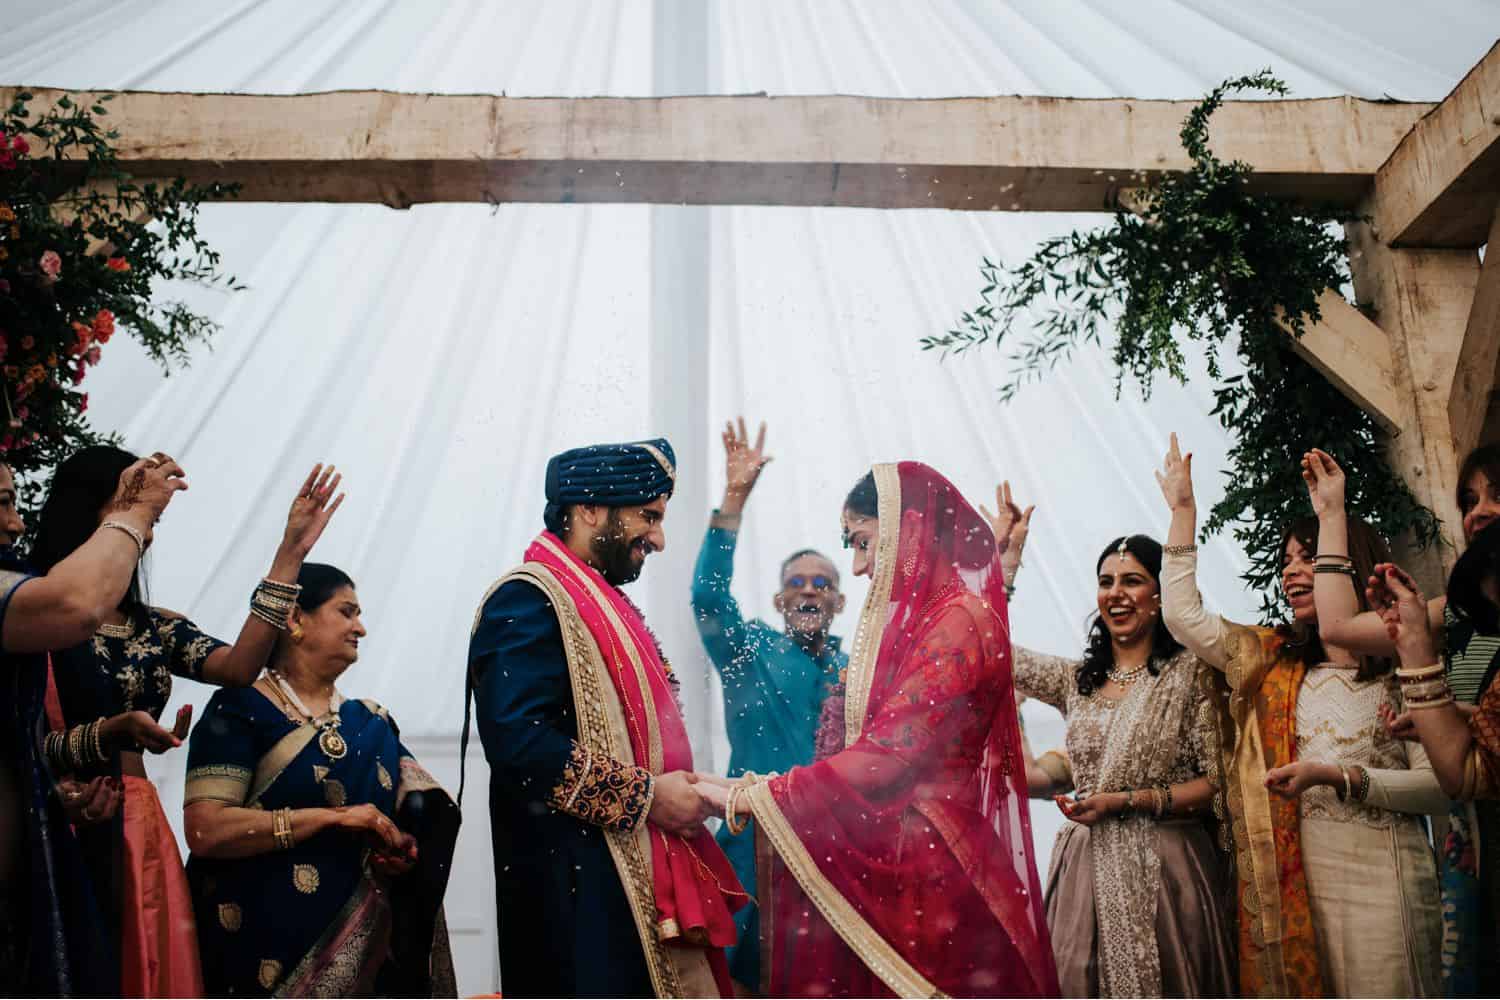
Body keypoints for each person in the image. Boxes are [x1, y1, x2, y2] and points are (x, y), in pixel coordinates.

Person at [709, 463, 1059, 998]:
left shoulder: (949, 623)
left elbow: (891, 754)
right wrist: (730, 505)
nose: (858, 566)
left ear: (909, 529)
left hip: (924, 865)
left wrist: (752, 795)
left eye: (864, 543)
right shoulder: (764, 651)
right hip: (825, 847)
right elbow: (710, 605)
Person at [34, 449, 345, 997]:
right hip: (58, 818)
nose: (147, 539)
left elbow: (239, 667)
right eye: (136, 519)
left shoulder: (153, 627)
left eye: (150, 524)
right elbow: (23, 739)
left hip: (137, 820)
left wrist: (289, 555)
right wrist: (106, 735)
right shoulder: (37, 615)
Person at [1158, 435, 1444, 997]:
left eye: (1307, 557)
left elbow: (1441, 788)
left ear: (1349, 563)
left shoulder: (1405, 662)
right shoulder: (1274, 659)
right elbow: (1183, 617)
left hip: (1385, 880)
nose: (1291, 571)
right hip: (1292, 889)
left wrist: (1339, 778)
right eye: (1285, 561)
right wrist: (1183, 513)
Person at [468, 438, 744, 998]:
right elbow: (519, 744)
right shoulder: (526, 600)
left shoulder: (603, 603)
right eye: (648, 515)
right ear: (589, 509)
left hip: (618, 884)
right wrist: (647, 797)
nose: (659, 538)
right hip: (576, 894)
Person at [183, 562, 459, 996]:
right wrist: (333, 818)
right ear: (295, 619)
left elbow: (420, 816)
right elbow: (205, 829)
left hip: (362, 959)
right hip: (256, 950)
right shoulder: (239, 711)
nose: (360, 628)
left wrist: (402, 851)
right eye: (346, 612)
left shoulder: (371, 723)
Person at [999, 499, 1235, 997]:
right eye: (1107, 582)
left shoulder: (1192, 674)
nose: (1116, 593)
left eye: (1132, 580)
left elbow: (1219, 782)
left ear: (1160, 595)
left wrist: (1129, 802)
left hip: (1168, 870)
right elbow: (991, 649)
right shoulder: (1076, 682)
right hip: (1085, 873)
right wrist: (1005, 568)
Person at [1312, 441, 1500, 995]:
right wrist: (1330, 516)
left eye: (1497, 495)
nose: (1479, 511)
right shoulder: (1460, 609)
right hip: (1477, 837)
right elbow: (1339, 629)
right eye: (1469, 499)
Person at [0, 453, 186, 995]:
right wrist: (134, 511)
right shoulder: (46, 607)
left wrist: (60, 798)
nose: (16, 522)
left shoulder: (149, 625)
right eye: (4, 503)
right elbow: (77, 605)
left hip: (40, 878)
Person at [689, 418, 847, 989]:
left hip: (832, 848)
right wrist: (734, 499)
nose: (809, 590)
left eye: (822, 583)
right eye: (798, 583)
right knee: (741, 979)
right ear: (781, 598)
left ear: (840, 600)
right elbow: (708, 595)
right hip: (749, 839)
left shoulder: (858, 669)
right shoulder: (748, 649)